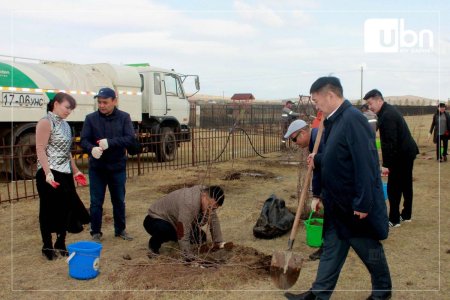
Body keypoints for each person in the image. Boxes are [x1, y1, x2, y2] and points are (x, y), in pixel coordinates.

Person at [285, 77, 392, 300]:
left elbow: (366, 163)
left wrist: (363, 202)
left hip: (354, 206)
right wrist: (320, 158)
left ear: (330, 96)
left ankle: (382, 292)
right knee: (331, 251)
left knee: (369, 250)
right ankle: (317, 294)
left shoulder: (353, 119)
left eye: (316, 100)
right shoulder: (334, 120)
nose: (315, 105)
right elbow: (340, 155)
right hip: (337, 205)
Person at [35, 92, 89, 260]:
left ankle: (60, 242)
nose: (68, 111)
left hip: (64, 173)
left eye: (71, 109)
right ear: (56, 104)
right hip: (49, 173)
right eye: (67, 107)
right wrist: (47, 173)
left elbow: (66, 153)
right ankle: (47, 246)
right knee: (48, 209)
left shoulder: (65, 125)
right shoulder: (45, 122)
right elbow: (40, 149)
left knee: (65, 209)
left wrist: (76, 171)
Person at [81, 87, 136, 241]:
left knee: (118, 200)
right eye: (99, 102)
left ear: (114, 101)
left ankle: (120, 230)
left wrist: (110, 143)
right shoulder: (91, 119)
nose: (102, 105)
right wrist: (91, 149)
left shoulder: (124, 117)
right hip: (97, 168)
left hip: (117, 167)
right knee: (96, 202)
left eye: (105, 102)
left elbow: (130, 138)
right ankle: (96, 232)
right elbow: (84, 140)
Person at [364, 89, 419, 227]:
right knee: (406, 184)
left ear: (379, 100)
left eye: (371, 104)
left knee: (394, 187)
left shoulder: (387, 115)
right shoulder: (386, 111)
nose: (370, 107)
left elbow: (390, 143)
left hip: (401, 155)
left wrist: (386, 165)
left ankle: (394, 219)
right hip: (407, 152)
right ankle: (406, 215)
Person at [143, 185, 225, 260]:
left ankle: (176, 241)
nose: (211, 210)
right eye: (210, 207)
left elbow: (213, 219)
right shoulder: (189, 203)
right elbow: (182, 230)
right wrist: (187, 255)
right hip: (156, 219)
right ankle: (153, 247)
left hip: (175, 221)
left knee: (201, 238)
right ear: (204, 196)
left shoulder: (208, 195)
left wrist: (218, 242)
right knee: (165, 231)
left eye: (214, 208)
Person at [284, 119, 325, 261]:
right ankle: (326, 248)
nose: (295, 143)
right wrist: (317, 195)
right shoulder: (314, 141)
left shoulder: (321, 139)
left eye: (294, 139)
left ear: (303, 133)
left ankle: (326, 248)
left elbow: (327, 166)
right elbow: (317, 170)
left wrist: (320, 195)